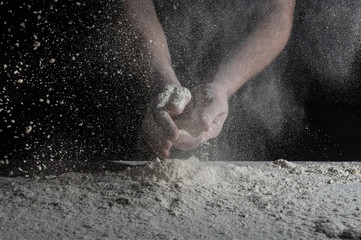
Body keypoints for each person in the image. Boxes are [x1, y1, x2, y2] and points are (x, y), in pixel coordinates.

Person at [123, 0, 296, 158]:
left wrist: (221, 86)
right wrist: (162, 81)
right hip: (140, 66)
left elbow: (277, 11)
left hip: (237, 68)